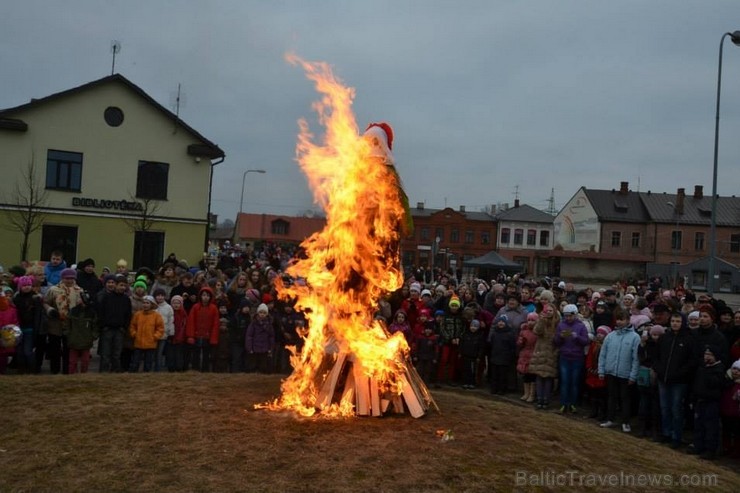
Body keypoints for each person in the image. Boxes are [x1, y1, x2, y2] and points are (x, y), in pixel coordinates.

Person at [598, 307, 640, 433]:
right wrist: (601, 370)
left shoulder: (635, 337)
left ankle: (625, 422)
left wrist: (633, 375)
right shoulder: (610, 336)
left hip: (625, 374)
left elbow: (635, 358)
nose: (619, 322)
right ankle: (610, 419)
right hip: (611, 372)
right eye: (618, 319)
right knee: (612, 397)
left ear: (628, 320)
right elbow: (603, 354)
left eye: (622, 319)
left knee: (625, 399)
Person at [687, 346, 725, 460]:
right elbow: (696, 384)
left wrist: (708, 370)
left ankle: (710, 450)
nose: (707, 357)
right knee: (699, 424)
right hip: (700, 400)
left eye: (710, 355)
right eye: (706, 354)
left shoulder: (719, 369)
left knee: (710, 427)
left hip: (711, 402)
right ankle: (698, 445)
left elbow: (715, 384)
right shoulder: (702, 368)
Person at [43, 267, 83, 374]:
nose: (69, 280)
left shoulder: (79, 290)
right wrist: (50, 310)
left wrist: (82, 305)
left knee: (68, 350)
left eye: (71, 278)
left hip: (71, 325)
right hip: (55, 324)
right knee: (55, 350)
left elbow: (83, 306)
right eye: (67, 278)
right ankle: (54, 371)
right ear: (62, 278)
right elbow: (45, 302)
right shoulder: (53, 290)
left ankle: (67, 371)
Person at [554, 304, 589, 414]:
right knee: (565, 381)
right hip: (564, 356)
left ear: (575, 315)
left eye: (570, 316)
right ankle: (564, 404)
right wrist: (560, 337)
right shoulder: (561, 325)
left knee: (574, 382)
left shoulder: (581, 326)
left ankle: (573, 404)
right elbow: (555, 341)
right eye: (566, 316)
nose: (568, 318)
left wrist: (577, 337)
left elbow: (586, 341)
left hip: (577, 358)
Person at [96, 274, 132, 372]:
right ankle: (103, 373)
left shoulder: (126, 299)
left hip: (120, 330)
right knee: (105, 354)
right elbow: (101, 313)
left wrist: (124, 327)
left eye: (124, 286)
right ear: (115, 285)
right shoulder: (106, 297)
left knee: (117, 354)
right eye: (121, 285)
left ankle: (115, 373)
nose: (122, 288)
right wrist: (103, 326)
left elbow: (128, 315)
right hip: (107, 329)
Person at [530, 303, 560, 409]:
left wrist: (556, 351)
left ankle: (546, 400)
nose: (549, 313)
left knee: (548, 378)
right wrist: (541, 321)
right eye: (547, 310)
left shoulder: (557, 323)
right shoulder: (541, 321)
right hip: (540, 351)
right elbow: (537, 331)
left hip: (551, 352)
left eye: (551, 311)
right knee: (539, 376)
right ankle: (539, 399)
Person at [12, 275, 43, 373]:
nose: (27, 287)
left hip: (30, 328)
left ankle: (32, 369)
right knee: (19, 351)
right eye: (24, 285)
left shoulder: (35, 298)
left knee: (28, 351)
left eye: (29, 285)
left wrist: (36, 328)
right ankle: (21, 369)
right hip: (18, 328)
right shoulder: (16, 299)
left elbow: (38, 315)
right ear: (20, 286)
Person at [637, 324, 663, 439]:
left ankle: (654, 429)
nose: (655, 337)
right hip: (645, 374)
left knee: (655, 405)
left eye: (658, 335)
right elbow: (641, 357)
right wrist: (642, 344)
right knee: (644, 402)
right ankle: (643, 428)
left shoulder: (663, 345)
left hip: (657, 376)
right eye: (654, 334)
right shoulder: (646, 344)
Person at [185, 286, 220, 372]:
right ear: (200, 296)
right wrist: (191, 336)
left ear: (210, 297)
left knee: (206, 355)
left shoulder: (213, 308)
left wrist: (213, 338)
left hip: (207, 336)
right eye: (204, 295)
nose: (205, 297)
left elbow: (215, 324)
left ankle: (205, 371)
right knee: (195, 354)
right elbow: (191, 322)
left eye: (207, 295)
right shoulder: (195, 307)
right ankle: (195, 370)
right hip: (197, 335)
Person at [128, 296, 165, 372]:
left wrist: (155, 337)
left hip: (150, 344)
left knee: (148, 363)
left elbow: (160, 328)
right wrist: (134, 334)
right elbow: (132, 326)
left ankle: (146, 376)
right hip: (138, 343)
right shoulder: (138, 314)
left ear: (151, 304)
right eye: (144, 303)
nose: (145, 305)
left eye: (147, 303)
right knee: (135, 362)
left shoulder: (156, 315)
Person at [63, 299, 98, 374]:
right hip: (73, 340)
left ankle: (83, 376)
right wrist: (68, 334)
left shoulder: (91, 313)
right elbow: (67, 324)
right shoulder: (73, 311)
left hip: (86, 341)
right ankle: (72, 377)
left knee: (85, 362)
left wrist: (93, 336)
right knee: (72, 362)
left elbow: (95, 326)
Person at [586, 326, 611, 420]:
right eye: (598, 333)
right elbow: (589, 357)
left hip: (601, 375)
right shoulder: (593, 345)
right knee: (593, 395)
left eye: (602, 333)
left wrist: (600, 370)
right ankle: (594, 411)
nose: (599, 335)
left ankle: (602, 413)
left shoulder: (607, 346)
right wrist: (589, 367)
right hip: (592, 373)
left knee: (602, 396)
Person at [488, 315, 516, 395]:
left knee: (503, 376)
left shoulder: (510, 334)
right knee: (494, 375)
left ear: (506, 323)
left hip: (504, 358)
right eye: (499, 321)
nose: (501, 323)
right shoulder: (494, 333)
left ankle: (502, 389)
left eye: (503, 322)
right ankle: (494, 388)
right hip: (495, 357)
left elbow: (512, 347)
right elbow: (492, 344)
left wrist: (510, 357)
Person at [245, 303, 275, 374]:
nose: (262, 314)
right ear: (258, 313)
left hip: (265, 348)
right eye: (261, 312)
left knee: (263, 365)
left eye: (264, 313)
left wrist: (271, 348)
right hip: (255, 348)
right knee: (253, 364)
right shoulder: (253, 324)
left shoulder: (269, 324)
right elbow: (249, 336)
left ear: (267, 314)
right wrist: (249, 348)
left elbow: (271, 337)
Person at [516, 312, 538, 402]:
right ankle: (526, 393)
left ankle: (532, 395)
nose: (530, 322)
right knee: (525, 375)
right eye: (529, 320)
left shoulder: (537, 332)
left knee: (532, 376)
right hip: (525, 354)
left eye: (533, 320)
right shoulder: (523, 331)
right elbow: (519, 344)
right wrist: (520, 341)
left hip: (534, 354)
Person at [459, 319, 485, 389]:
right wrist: (460, 352)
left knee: (472, 371)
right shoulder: (466, 334)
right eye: (472, 326)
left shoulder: (480, 336)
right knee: (465, 369)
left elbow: (481, 347)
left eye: (475, 326)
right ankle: (465, 382)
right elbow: (461, 344)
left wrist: (479, 357)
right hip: (465, 355)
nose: (473, 328)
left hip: (473, 356)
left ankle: (471, 383)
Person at [153, 289, 174, 371]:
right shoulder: (152, 306)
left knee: (159, 353)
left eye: (162, 295)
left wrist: (170, 332)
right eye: (158, 295)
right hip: (152, 334)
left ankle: (158, 369)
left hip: (163, 334)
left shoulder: (168, 307)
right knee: (152, 352)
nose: (160, 297)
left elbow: (171, 320)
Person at [167, 295, 187, 372]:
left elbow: (184, 326)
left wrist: (181, 336)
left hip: (180, 338)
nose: (176, 305)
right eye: (174, 303)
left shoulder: (183, 314)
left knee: (179, 355)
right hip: (170, 338)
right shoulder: (170, 313)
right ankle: (171, 369)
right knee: (170, 355)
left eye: (178, 303)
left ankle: (179, 368)